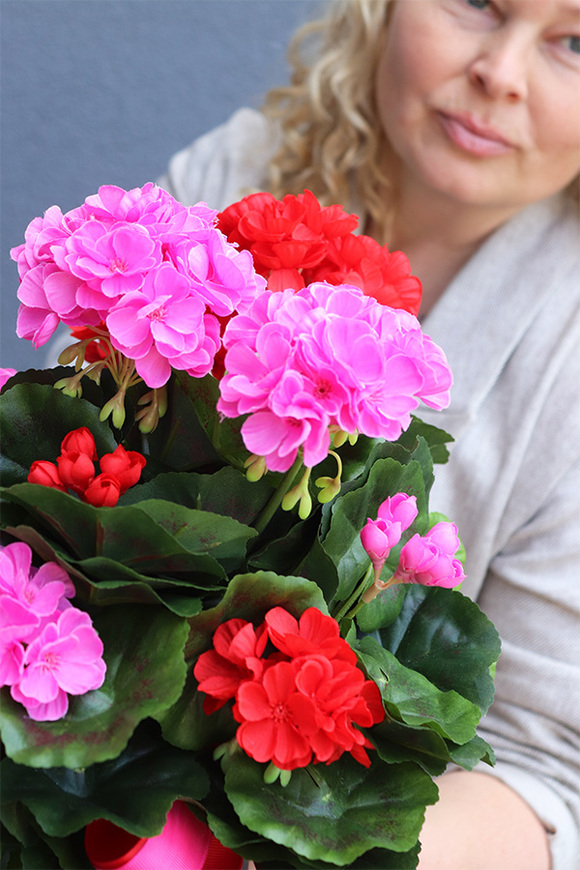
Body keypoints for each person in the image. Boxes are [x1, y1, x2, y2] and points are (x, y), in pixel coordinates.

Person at [159, 1, 580, 867]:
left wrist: (257, 854)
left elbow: (546, 777)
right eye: (477, 2)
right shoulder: (232, 175)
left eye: (574, 42)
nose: (498, 72)